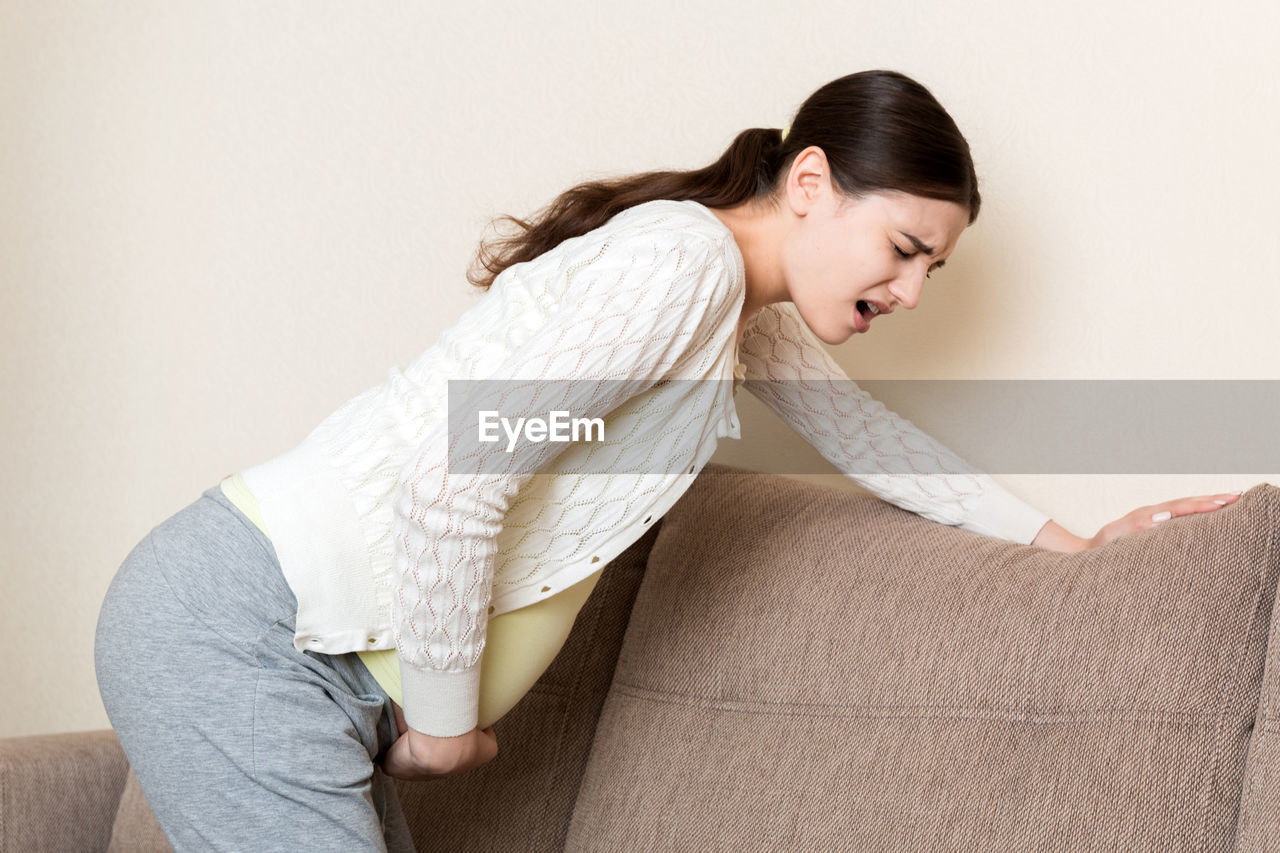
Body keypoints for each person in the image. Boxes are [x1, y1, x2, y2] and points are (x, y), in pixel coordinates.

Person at [94, 69, 1241, 851]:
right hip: (245, 631)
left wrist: (1072, 544)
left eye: (931, 269)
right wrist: (446, 721)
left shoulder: (735, 314)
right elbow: (456, 472)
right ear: (805, 182)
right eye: (900, 248)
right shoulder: (681, 268)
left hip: (313, 659)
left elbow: (878, 444)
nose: (907, 290)